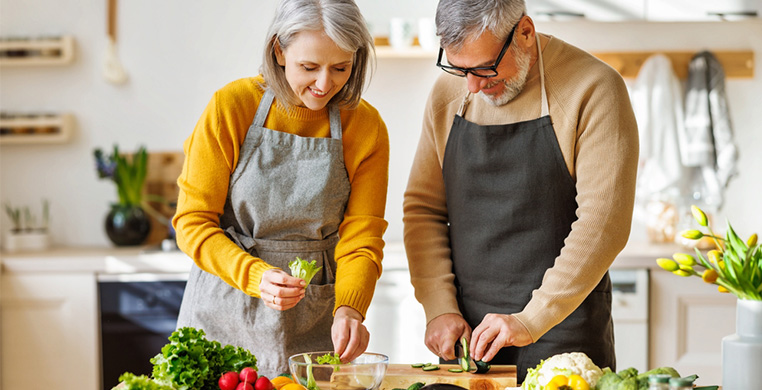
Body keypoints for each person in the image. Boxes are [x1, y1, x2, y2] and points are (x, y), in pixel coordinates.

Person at [402, 0, 638, 383]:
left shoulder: (594, 89)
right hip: (469, 341)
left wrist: (531, 320)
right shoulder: (450, 93)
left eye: (484, 68)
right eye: (459, 69)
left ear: (525, 32)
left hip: (565, 334)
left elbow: (603, 223)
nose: (473, 86)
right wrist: (439, 308)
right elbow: (423, 209)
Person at [173, 0, 389, 377]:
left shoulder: (365, 126)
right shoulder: (232, 106)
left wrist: (350, 308)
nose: (325, 84)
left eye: (341, 68)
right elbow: (192, 223)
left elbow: (362, 236)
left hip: (316, 321)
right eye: (309, 67)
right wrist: (254, 275)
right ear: (279, 50)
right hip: (226, 308)